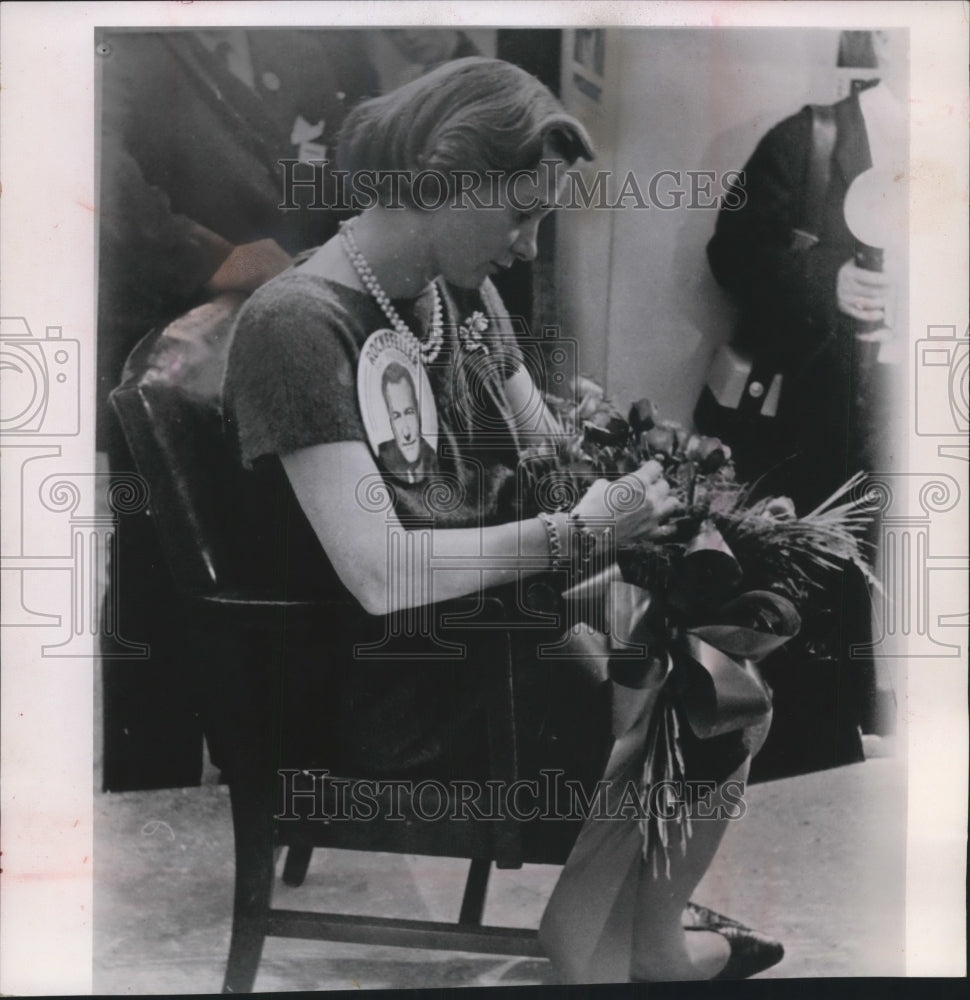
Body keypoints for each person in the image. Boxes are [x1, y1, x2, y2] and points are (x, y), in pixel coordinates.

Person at [224, 57, 780, 982]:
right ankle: (624, 948)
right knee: (699, 687)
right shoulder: (298, 324)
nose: (528, 247)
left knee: (719, 648)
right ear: (438, 181)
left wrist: (638, 491)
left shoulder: (452, 295)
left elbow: (545, 450)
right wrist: (581, 536)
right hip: (389, 695)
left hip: (476, 636)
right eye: (519, 215)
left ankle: (634, 938)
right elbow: (377, 574)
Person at [97, 28, 376, 789]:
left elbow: (345, 136)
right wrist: (215, 260)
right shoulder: (120, 42)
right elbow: (88, 176)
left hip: (281, 344)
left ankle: (274, 785)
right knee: (157, 575)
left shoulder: (299, 36)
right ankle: (151, 792)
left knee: (268, 561)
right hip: (168, 352)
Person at [697, 31, 906, 777]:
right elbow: (730, 250)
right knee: (815, 601)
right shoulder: (811, 137)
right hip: (827, 424)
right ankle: (809, 775)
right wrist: (826, 281)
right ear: (884, 35)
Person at [376, 362, 438, 483]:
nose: (406, 433)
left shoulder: (431, 455)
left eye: (409, 412)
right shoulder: (384, 458)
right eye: (396, 417)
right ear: (390, 422)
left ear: (418, 412)